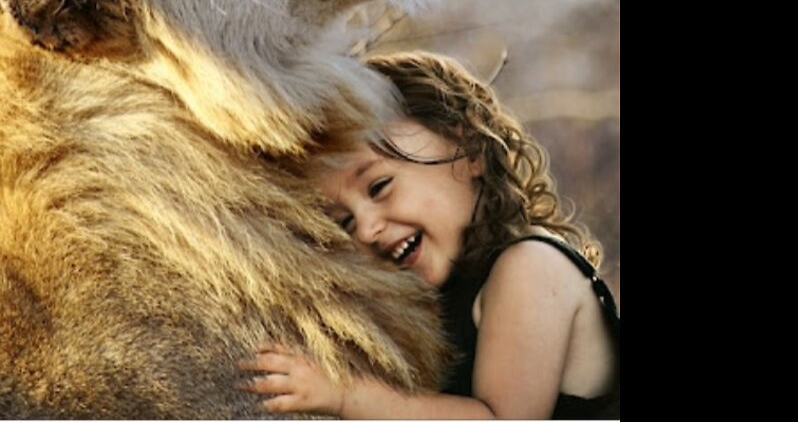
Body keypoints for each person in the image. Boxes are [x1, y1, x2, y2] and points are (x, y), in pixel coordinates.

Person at [241, 52, 619, 419]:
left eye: (379, 187)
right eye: (345, 223)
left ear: (468, 147)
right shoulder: (445, 298)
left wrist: (345, 395)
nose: (368, 229)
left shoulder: (531, 268)